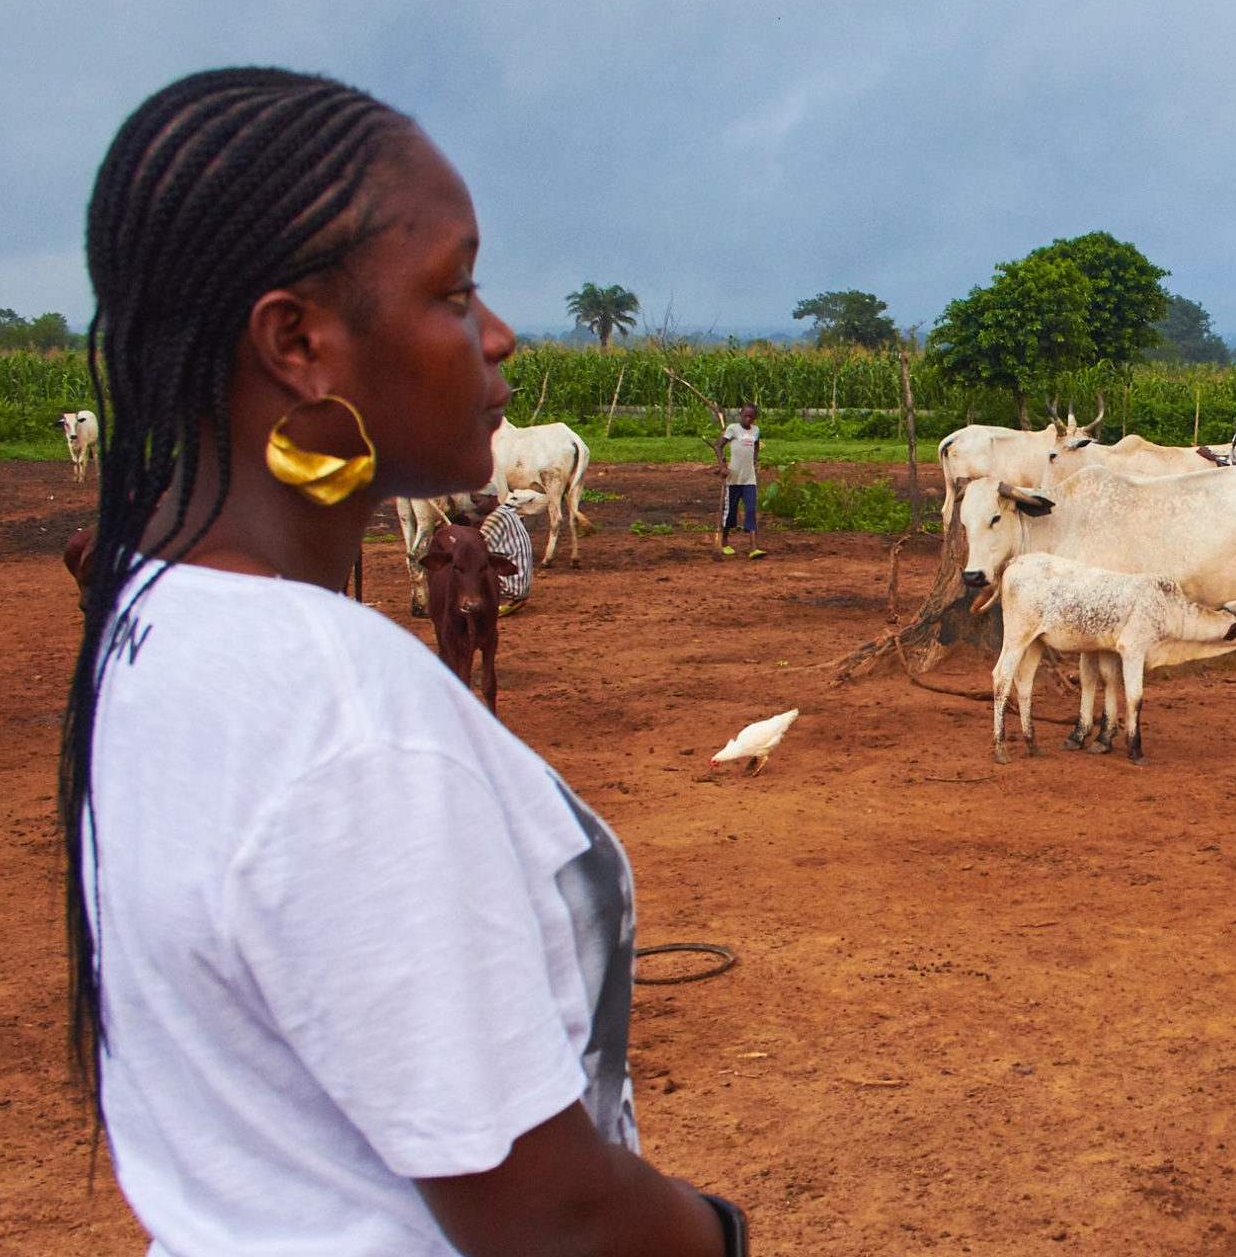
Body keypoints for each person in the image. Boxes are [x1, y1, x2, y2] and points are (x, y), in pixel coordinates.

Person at [61, 68, 746, 1257]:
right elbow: (553, 1218)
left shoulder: (150, 614)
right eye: (455, 289)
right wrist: (718, 1234)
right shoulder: (345, 714)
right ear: (299, 343)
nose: (498, 335)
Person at [711, 402, 763, 559]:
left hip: (749, 479)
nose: (748, 419)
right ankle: (725, 541)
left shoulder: (756, 431)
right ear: (741, 414)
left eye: (751, 417)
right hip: (733, 478)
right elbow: (718, 446)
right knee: (731, 512)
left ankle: (753, 547)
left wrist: (754, 460)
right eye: (746, 416)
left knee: (751, 510)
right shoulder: (733, 429)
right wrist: (722, 467)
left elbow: (756, 446)